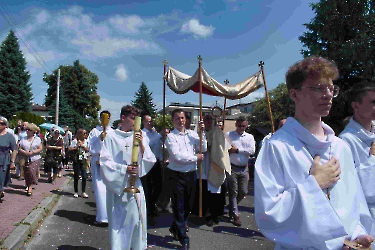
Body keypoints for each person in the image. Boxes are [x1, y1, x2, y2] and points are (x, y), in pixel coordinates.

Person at [255, 56, 374, 249]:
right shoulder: (276, 147)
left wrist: (358, 234)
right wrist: (314, 184)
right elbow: (268, 215)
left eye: (331, 88)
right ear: (294, 95)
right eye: (318, 88)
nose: (328, 94)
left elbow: (355, 202)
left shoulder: (340, 147)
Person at [99, 105, 156, 250]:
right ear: (123, 118)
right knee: (120, 225)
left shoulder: (138, 136)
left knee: (136, 222)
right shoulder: (111, 137)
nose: (134, 122)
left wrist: (142, 143)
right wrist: (125, 169)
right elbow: (105, 163)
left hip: (135, 186)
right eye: (132, 118)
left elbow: (150, 159)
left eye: (137, 119)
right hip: (118, 188)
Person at [339, 81, 375, 245]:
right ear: (356, 106)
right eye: (373, 102)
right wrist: (372, 159)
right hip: (365, 217)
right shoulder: (345, 141)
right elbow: (351, 188)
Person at [166, 109, 207, 250]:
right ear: (173, 120)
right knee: (179, 206)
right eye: (177, 118)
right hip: (176, 174)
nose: (180, 120)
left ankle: (175, 227)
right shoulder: (171, 137)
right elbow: (178, 157)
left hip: (191, 173)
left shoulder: (193, 134)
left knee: (189, 205)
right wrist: (196, 158)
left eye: (182, 118)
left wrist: (202, 134)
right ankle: (184, 238)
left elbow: (203, 148)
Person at [192, 115, 230, 227]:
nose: (208, 122)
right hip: (203, 165)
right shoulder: (198, 132)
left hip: (215, 165)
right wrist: (201, 134)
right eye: (206, 120)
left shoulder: (217, 132)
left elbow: (223, 147)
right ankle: (205, 214)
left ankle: (216, 214)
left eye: (210, 120)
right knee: (204, 193)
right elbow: (196, 146)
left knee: (215, 194)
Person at [225, 116, 255, 227]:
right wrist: (229, 150)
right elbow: (224, 148)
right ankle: (235, 215)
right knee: (233, 192)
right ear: (236, 125)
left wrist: (237, 150)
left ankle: (231, 207)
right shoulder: (229, 135)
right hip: (232, 167)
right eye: (239, 125)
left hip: (244, 168)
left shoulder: (249, 137)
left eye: (243, 126)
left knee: (243, 191)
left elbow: (252, 151)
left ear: (246, 126)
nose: (241, 127)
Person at [88, 110, 113, 225]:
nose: (105, 120)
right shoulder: (94, 131)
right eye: (103, 118)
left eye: (107, 118)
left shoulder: (113, 132)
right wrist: (99, 139)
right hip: (97, 161)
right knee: (99, 190)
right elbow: (91, 147)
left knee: (109, 190)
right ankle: (102, 216)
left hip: (108, 164)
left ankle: (111, 216)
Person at [141, 115, 162, 226]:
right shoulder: (142, 133)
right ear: (143, 122)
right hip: (147, 162)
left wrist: (162, 158)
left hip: (156, 161)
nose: (150, 123)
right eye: (148, 121)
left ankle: (152, 204)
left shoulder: (155, 133)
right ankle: (149, 209)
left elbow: (158, 147)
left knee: (159, 186)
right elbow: (147, 144)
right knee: (148, 186)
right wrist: (160, 135)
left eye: (151, 121)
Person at [18, 123, 43, 196]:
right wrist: (24, 152)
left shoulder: (37, 139)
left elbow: (40, 148)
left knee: (31, 172)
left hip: (34, 158)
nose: (27, 131)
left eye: (29, 130)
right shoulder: (23, 139)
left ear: (33, 131)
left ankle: (30, 188)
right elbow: (19, 148)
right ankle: (28, 184)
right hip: (25, 158)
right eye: (26, 129)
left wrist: (32, 152)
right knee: (27, 173)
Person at [0, 116, 17, 203]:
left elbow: (14, 149)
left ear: (5, 125)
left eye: (1, 123)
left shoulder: (9, 136)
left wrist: (12, 162)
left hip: (3, 161)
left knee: (1, 179)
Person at [69, 128, 89, 198]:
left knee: (84, 176)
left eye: (85, 133)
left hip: (83, 160)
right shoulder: (75, 141)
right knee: (76, 176)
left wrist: (83, 146)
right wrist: (76, 147)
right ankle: (76, 191)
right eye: (84, 133)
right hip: (76, 160)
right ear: (80, 134)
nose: (85, 135)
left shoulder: (86, 141)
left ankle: (83, 191)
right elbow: (69, 149)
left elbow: (87, 150)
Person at [156, 128, 171, 212]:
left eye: (167, 133)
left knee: (168, 186)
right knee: (161, 184)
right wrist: (161, 160)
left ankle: (167, 204)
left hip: (169, 164)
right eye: (164, 132)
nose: (166, 134)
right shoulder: (160, 142)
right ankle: (160, 204)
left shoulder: (171, 142)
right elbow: (158, 152)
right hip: (162, 164)